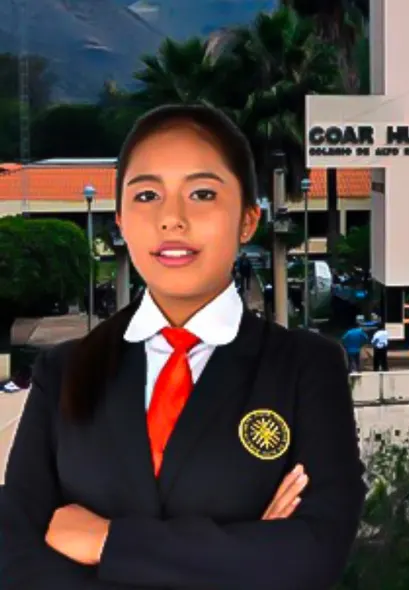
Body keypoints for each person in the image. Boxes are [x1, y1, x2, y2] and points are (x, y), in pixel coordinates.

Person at [0, 104, 366, 589]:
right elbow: (16, 554)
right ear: (121, 220)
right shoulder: (63, 371)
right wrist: (245, 551)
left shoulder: (306, 367)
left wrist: (109, 542)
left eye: (202, 193)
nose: (172, 218)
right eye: (147, 195)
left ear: (247, 220)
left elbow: (312, 557)